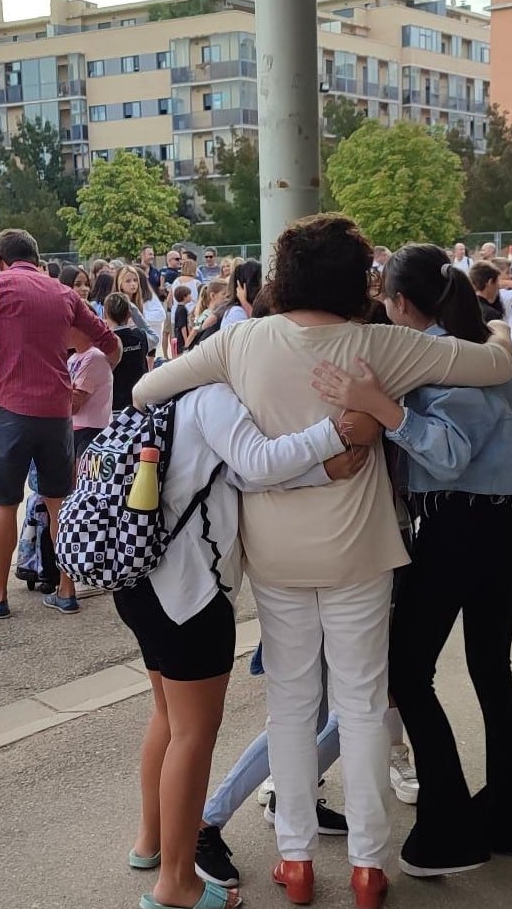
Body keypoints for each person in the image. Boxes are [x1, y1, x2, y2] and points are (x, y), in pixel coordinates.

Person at [132, 213, 512, 909]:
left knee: (289, 704)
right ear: (356, 279)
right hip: (360, 552)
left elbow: (144, 391)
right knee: (364, 704)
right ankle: (369, 868)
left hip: (274, 557)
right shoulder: (380, 345)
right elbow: (496, 365)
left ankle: (297, 862)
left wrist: (243, 419)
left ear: (282, 276)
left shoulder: (240, 341)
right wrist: (495, 326)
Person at [310, 243, 512, 876]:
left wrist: (379, 403)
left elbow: (445, 455)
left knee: (406, 671)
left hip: (457, 525)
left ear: (399, 304)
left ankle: (448, 825)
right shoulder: (480, 346)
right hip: (503, 523)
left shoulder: (442, 361)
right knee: (490, 671)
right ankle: (508, 819)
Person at [122, 385, 369, 909]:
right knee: (193, 734)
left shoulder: (171, 403)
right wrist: (335, 431)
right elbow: (257, 460)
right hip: (188, 592)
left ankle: (151, 843)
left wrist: (322, 472)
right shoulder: (216, 399)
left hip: (138, 576)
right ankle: (176, 887)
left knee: (166, 715)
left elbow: (239, 475)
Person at [0, 229, 122, 620]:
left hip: (11, 411)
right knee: (59, 503)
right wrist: (104, 370)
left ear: (1, 259)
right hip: (57, 415)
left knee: (5, 504)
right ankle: (66, 590)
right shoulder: (64, 293)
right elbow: (109, 342)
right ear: (37, 258)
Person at [103, 293, 150, 410]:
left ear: (105, 314)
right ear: (129, 314)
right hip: (138, 403)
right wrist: (136, 313)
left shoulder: (105, 342)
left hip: (114, 403)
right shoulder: (140, 336)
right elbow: (154, 336)